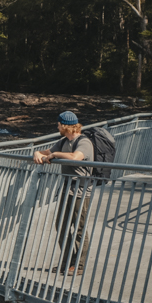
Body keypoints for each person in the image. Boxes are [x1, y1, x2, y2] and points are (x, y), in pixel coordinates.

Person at [31, 111, 93, 275]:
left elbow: (75, 157)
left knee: (79, 229)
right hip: (67, 190)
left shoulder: (84, 142)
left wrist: (55, 155)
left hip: (81, 192)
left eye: (58, 124)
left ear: (64, 125)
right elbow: (45, 152)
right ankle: (66, 263)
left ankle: (79, 265)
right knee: (62, 227)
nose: (57, 126)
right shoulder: (64, 141)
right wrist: (37, 153)